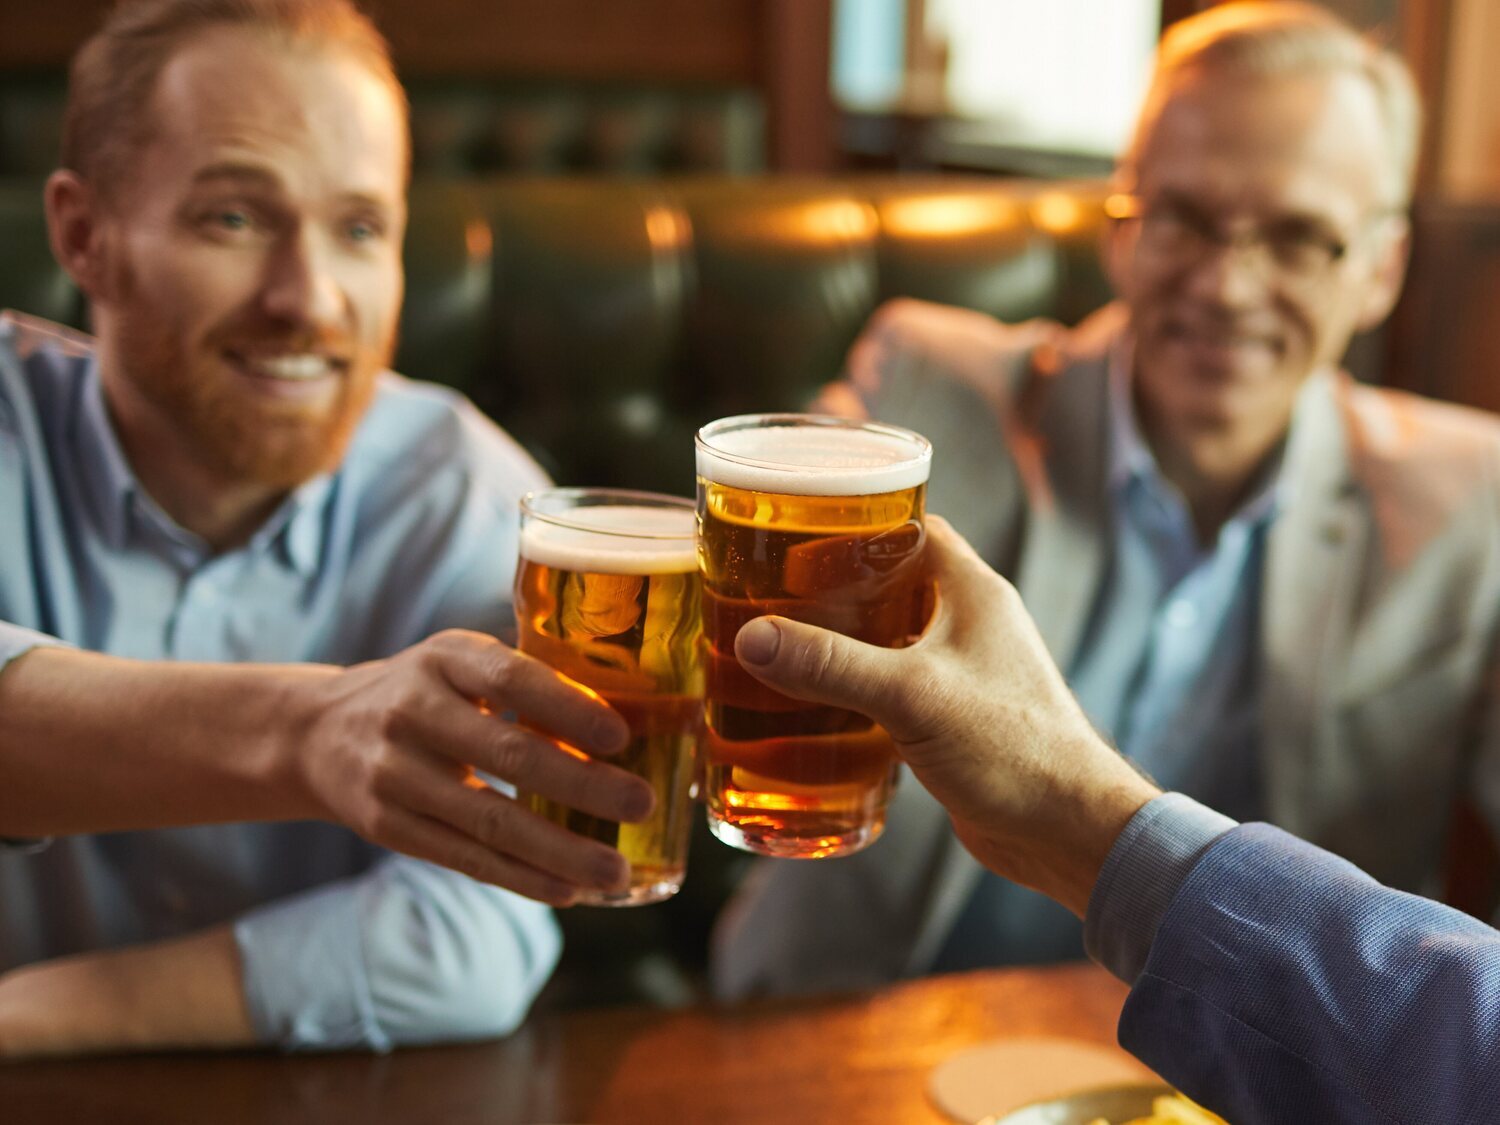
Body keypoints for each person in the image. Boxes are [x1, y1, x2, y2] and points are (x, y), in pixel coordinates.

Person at [715, 0, 1500, 999]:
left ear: (1383, 270)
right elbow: (722, 591)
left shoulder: (1473, 501)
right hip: (862, 1036)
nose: (1226, 285)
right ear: (1120, 229)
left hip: (1222, 1082)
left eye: (1300, 237)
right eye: (1185, 219)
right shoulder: (929, 398)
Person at [0, 0, 654, 1058]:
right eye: (234, 219)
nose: (308, 300)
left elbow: (479, 930)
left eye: (359, 230)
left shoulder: (468, 499)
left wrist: (32, 1016)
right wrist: (310, 732)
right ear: (85, 236)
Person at [731, 519, 1500, 1125]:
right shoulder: (936, 378)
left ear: (1378, 305)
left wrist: (1080, 812)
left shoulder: (1464, 491)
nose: (1226, 305)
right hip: (841, 1044)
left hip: (1191, 1062)